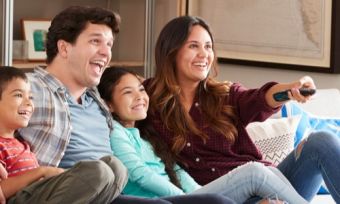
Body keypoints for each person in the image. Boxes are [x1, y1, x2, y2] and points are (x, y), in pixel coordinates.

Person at [17, 6, 236, 204]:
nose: (106, 52)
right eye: (95, 41)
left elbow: (136, 103)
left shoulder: (98, 99)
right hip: (62, 192)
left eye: (109, 44)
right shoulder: (32, 88)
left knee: (216, 202)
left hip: (109, 192)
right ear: (64, 48)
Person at [143, 15, 340, 203]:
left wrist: (291, 89)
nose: (204, 54)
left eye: (208, 47)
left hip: (270, 184)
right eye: (194, 46)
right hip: (222, 197)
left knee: (321, 141)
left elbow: (262, 98)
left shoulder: (224, 95)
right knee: (257, 178)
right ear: (171, 51)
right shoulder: (147, 98)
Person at [98, 67, 308, 204]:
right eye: (128, 92)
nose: (140, 97)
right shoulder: (116, 133)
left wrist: (202, 194)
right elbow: (142, 175)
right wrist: (187, 198)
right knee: (254, 172)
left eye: (141, 90)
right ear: (109, 104)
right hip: (167, 200)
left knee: (264, 175)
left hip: (187, 197)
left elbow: (176, 171)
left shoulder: (144, 136)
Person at [0, 66, 122, 203]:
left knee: (116, 167)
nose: (29, 103)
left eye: (31, 97)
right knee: (97, 171)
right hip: (20, 199)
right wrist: (41, 172)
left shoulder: (22, 144)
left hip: (38, 194)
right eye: (18, 95)